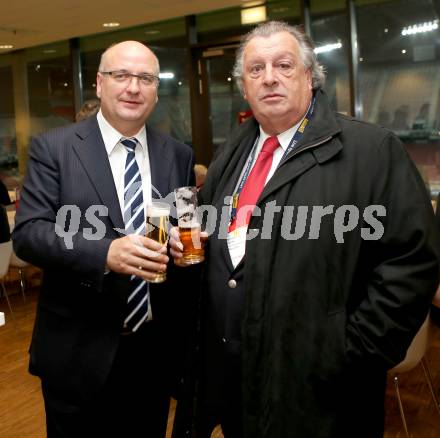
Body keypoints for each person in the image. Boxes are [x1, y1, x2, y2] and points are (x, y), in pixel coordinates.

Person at [170, 21, 439, 438]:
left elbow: (412, 263)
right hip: (239, 381)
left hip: (323, 390)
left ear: (310, 77)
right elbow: (216, 237)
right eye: (256, 70)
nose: (269, 77)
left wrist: (350, 352)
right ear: (244, 87)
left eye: (283, 65)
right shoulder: (230, 156)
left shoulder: (371, 151)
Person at [13, 40, 195, 437]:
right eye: (121, 75)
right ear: (99, 83)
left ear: (156, 89)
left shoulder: (177, 155)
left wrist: (183, 246)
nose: (133, 87)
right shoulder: (55, 149)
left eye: (145, 78)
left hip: (152, 353)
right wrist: (105, 252)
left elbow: (179, 225)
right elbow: (29, 234)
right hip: (78, 352)